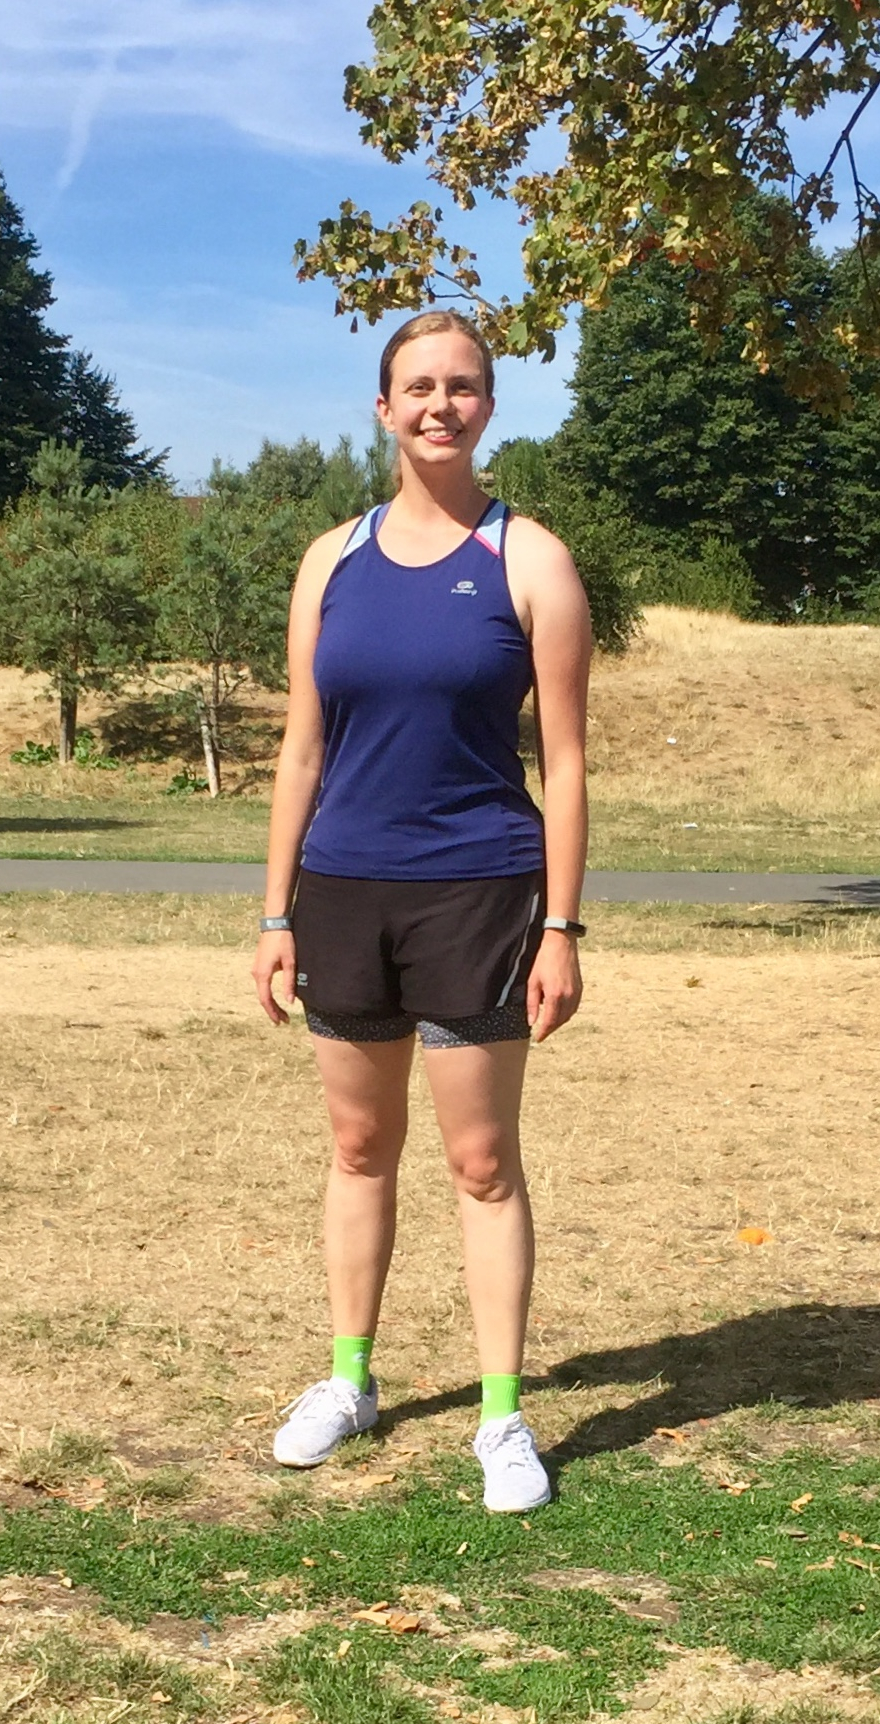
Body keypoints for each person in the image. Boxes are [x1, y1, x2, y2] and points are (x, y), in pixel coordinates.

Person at [252, 309, 590, 1513]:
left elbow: (566, 760)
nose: (439, 404)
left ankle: (502, 1416)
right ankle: (350, 1380)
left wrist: (560, 927)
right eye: (418, 386)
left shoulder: (528, 559)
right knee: (358, 1147)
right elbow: (302, 748)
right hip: (342, 892)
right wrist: (275, 913)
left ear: (486, 405)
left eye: (462, 385)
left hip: (480, 893)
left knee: (481, 1160)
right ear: (383, 407)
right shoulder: (329, 559)